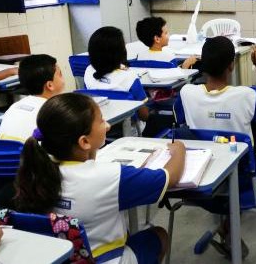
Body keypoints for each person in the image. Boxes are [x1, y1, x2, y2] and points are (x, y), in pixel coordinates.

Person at [14, 93, 186, 263]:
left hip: (62, 257)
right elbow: (170, 177)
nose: (108, 126)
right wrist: (179, 149)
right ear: (84, 142)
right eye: (102, 121)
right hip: (105, 259)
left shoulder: (37, 168)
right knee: (159, 235)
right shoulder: (110, 176)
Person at [178, 36, 256, 259]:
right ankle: (229, 225)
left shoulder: (186, 93)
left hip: (202, 177)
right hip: (242, 180)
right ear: (231, 65)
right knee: (254, 160)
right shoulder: (245, 96)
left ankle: (226, 225)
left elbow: (180, 115)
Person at [0, 54, 65, 142]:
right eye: (60, 74)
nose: (63, 79)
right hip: (34, 155)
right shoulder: (54, 112)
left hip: (6, 155)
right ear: (50, 85)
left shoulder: (14, 107)